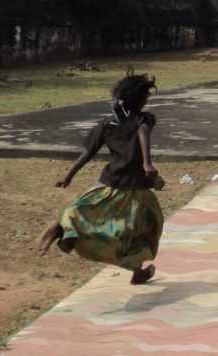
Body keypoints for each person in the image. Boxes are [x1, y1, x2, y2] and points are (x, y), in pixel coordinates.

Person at [37, 71, 165, 285]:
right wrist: (147, 163)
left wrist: (69, 176)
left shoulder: (106, 125)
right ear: (141, 100)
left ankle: (62, 226)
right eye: (146, 98)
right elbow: (143, 132)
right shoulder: (145, 119)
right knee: (147, 227)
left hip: (111, 182)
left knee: (85, 209)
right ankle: (60, 228)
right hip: (135, 189)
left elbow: (87, 153)